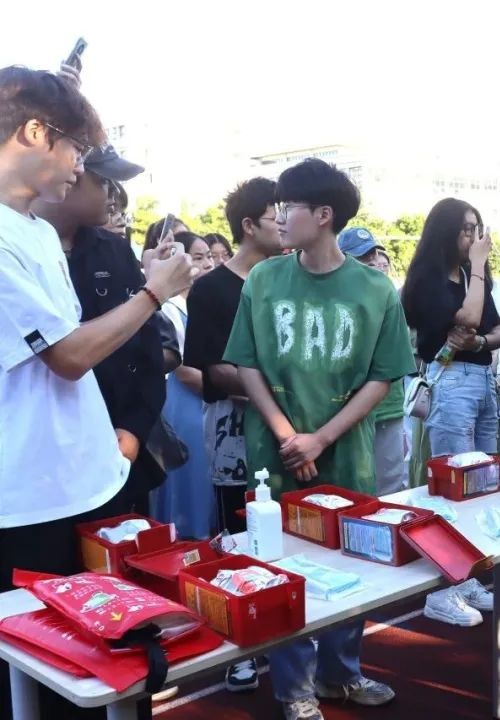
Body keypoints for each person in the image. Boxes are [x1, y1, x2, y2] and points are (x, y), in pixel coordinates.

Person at [0, 65, 195, 719]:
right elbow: (68, 356)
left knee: (113, 665)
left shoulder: (31, 229)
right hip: (27, 505)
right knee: (46, 684)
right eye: (77, 150)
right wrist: (154, 293)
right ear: (34, 133)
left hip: (88, 484)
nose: (82, 170)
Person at [224, 159, 411, 720]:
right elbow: (247, 364)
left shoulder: (375, 288)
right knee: (284, 567)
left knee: (350, 561)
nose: (279, 217)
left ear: (324, 215)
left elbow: (382, 377)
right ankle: (295, 688)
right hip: (275, 456)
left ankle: (341, 673)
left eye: (289, 207)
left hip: (346, 452)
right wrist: (290, 438)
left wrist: (322, 438)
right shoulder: (263, 280)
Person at [31, 143, 166, 517]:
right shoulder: (18, 247)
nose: (114, 194)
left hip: (118, 454)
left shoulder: (115, 251)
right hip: (42, 467)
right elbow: (66, 357)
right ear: (70, 171)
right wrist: (156, 291)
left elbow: (149, 350)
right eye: (105, 180)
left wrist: (134, 430)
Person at [183, 176, 280, 693]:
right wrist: (274, 390)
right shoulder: (212, 289)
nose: (284, 224)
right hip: (234, 428)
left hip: (292, 424)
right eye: (275, 216)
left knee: (291, 530)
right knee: (239, 534)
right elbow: (211, 369)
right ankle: (238, 646)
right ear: (248, 225)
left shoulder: (289, 280)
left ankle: (291, 635)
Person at [401, 198, 500, 627]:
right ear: (445, 231)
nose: (474, 238)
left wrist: (477, 341)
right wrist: (478, 268)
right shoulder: (428, 278)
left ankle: (470, 575)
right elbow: (471, 315)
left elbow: (496, 331)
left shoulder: (471, 275)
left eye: (477, 228)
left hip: (481, 378)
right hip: (450, 379)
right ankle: (442, 589)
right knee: (453, 484)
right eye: (465, 229)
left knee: (483, 481)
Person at [338, 227, 409, 496]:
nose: (371, 263)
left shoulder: (387, 295)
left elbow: (397, 356)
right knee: (352, 486)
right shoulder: (332, 297)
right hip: (346, 409)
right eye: (361, 258)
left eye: (373, 256)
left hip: (387, 406)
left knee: (390, 485)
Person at [155, 232, 216, 539]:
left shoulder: (202, 303)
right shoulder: (170, 308)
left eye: (210, 256)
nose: (208, 264)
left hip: (206, 399)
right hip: (186, 404)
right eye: (199, 257)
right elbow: (182, 370)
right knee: (191, 476)